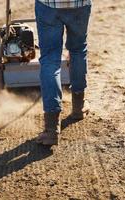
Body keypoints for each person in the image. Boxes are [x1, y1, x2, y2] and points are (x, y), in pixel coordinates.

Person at [35, 0, 92, 146]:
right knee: (78, 50)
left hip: (49, 5)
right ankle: (78, 107)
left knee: (50, 60)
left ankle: (51, 129)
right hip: (79, 4)